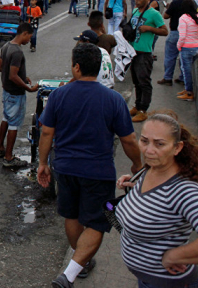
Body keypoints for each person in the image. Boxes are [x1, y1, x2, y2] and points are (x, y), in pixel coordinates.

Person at [38, 43, 142, 288]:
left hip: (65, 168)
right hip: (99, 171)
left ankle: (79, 263)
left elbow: (46, 133)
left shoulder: (59, 95)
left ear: (76, 67)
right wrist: (138, 164)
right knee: (97, 221)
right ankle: (78, 263)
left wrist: (43, 163)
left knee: (72, 215)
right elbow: (128, 139)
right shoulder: (114, 99)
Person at [115, 113, 198, 288]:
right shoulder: (150, 169)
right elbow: (155, 203)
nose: (149, 150)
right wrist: (133, 185)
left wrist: (175, 256)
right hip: (146, 279)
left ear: (177, 147)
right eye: (144, 141)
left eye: (159, 144)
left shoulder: (184, 191)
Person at [0, 23, 39, 167]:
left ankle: (0, 148)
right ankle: (9, 158)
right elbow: (13, 75)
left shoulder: (7, 46)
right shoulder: (17, 52)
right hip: (15, 93)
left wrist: (22, 76)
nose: (29, 41)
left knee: (5, 118)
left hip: (6, 91)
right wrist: (29, 88)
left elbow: (1, 67)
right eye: (29, 37)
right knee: (13, 125)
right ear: (24, 33)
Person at [129, 0, 169, 122]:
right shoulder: (135, 11)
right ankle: (137, 105)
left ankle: (143, 110)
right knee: (136, 81)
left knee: (144, 82)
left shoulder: (154, 14)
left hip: (144, 53)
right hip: (132, 52)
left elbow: (165, 31)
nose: (136, 0)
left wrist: (149, 29)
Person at [158, 0, 189, 86]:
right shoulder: (192, 3)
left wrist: (170, 8)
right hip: (188, 33)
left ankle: (168, 78)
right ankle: (183, 78)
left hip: (176, 32)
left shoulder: (175, 3)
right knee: (184, 57)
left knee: (170, 56)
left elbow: (165, 16)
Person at [176, 0, 198, 101]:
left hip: (187, 48)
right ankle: (187, 89)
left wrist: (179, 46)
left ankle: (189, 93)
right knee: (191, 70)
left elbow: (182, 36)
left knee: (186, 71)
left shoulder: (183, 18)